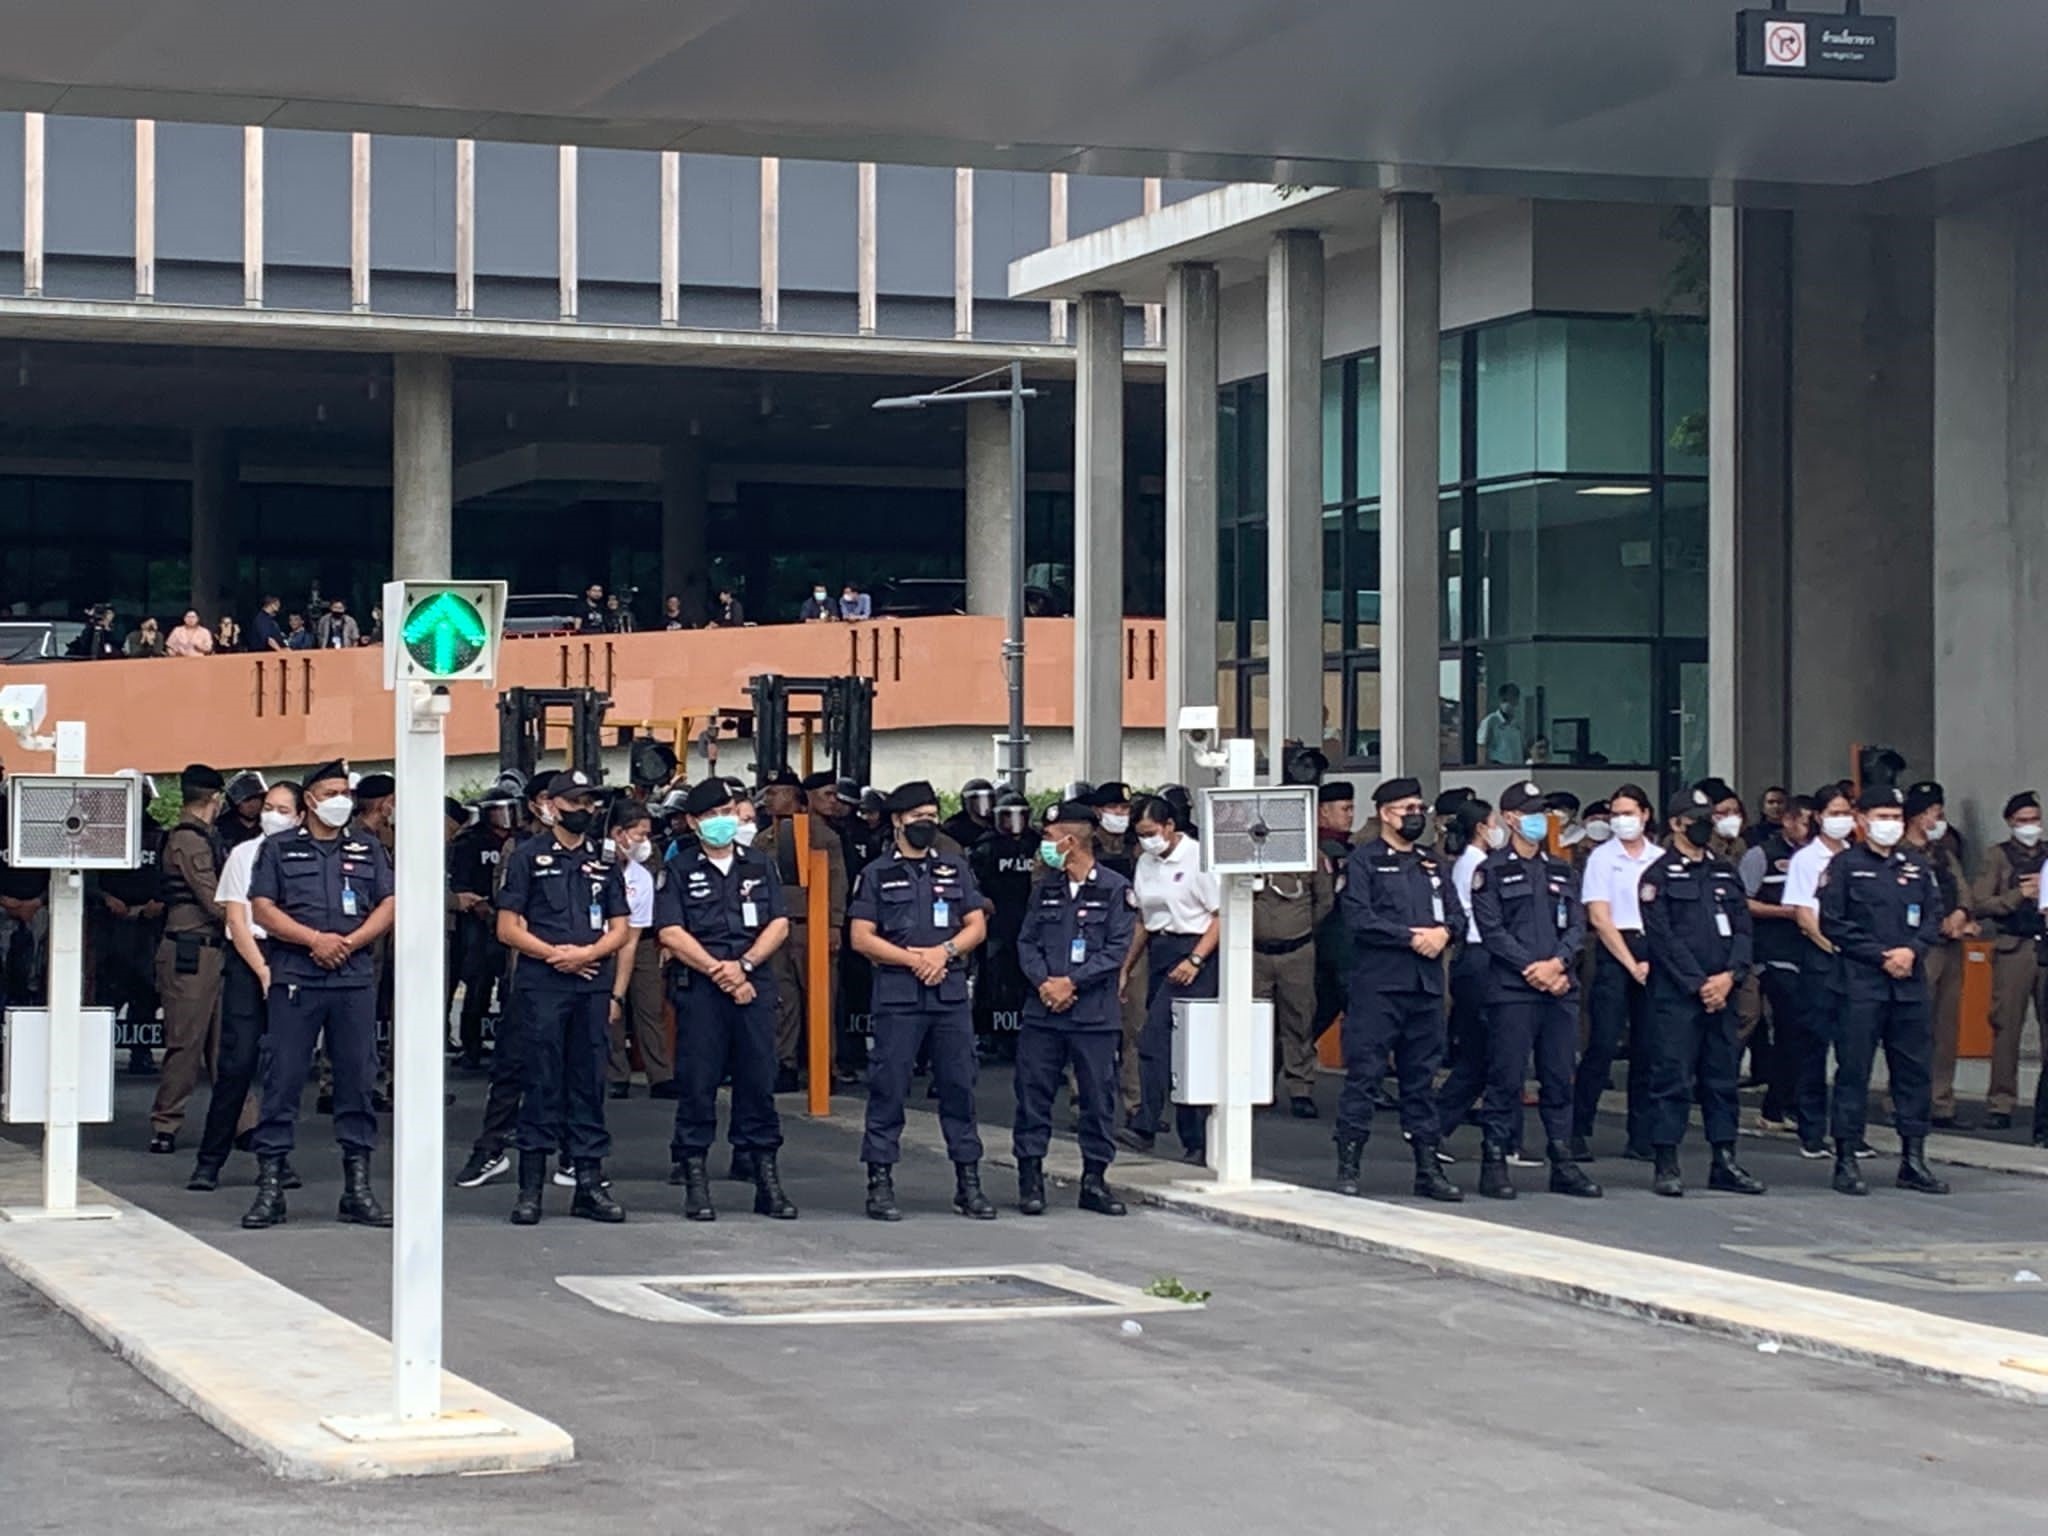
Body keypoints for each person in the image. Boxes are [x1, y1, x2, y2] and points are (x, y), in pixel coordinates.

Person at [240, 759, 396, 1230]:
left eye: (345, 792)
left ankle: (358, 1187)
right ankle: (271, 1187)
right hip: (297, 976)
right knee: (283, 1079)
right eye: (331, 792)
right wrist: (314, 940)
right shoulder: (279, 848)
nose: (341, 801)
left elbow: (389, 902)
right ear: (309, 800)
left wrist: (350, 942)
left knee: (356, 1081)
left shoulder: (367, 848)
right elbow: (262, 908)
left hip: (352, 978)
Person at [849, 780, 994, 1220]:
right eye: (918, 817)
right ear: (897, 820)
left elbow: (976, 925)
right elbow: (861, 938)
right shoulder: (876, 874)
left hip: (948, 993)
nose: (926, 824)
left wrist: (944, 953)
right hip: (899, 996)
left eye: (932, 815)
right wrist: (914, 960)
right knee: (889, 1087)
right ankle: (880, 1183)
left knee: (958, 1087)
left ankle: (968, 1183)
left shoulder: (955, 867)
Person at [654, 779, 797, 1222]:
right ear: (695, 822)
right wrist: (721, 971)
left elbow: (779, 924)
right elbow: (671, 932)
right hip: (702, 986)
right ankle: (695, 1175)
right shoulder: (679, 868)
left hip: (753, 983)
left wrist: (745, 967)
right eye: (713, 815)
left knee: (758, 1078)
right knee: (698, 1082)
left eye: (730, 812)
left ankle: (765, 1175)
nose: (725, 821)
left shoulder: (758, 864)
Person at [493, 770, 631, 1225]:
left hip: (590, 982)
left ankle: (589, 1184)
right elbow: (508, 927)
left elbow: (621, 927)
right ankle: (530, 1188)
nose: (585, 811)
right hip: (543, 984)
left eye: (590, 803)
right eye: (576, 803)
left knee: (588, 1082)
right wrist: (558, 956)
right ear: (553, 805)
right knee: (540, 1080)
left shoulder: (605, 860)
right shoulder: (528, 856)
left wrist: (588, 953)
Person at [1327, 777, 1462, 1201]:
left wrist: (1444, 934)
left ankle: (1428, 1167)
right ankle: (1349, 1163)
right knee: (1365, 1076)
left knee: (1421, 1080)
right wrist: (1410, 936)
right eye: (1407, 808)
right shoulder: (1365, 860)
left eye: (1419, 807)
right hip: (1380, 985)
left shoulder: (1432, 862)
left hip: (1425, 988)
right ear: (1385, 813)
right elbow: (1358, 917)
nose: (1415, 815)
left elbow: (1457, 914)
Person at [1469, 782, 1601, 1200]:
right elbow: (1492, 930)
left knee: (1560, 1078)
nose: (1538, 820)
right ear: (1509, 818)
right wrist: (1533, 969)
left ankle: (1562, 1160)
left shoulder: (1561, 870)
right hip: (1514, 988)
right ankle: (1494, 1159)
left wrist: (1559, 964)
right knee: (1506, 1079)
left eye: (1541, 812)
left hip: (1559, 987)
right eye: (1528, 812)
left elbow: (1578, 925)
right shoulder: (1490, 871)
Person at [1818, 785, 1949, 1197]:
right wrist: (1881, 955)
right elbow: (1833, 922)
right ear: (1861, 819)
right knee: (1854, 1071)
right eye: (1882, 816)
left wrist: (1911, 951)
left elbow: (1934, 916)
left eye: (1895, 817)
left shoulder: (1914, 865)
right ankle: (1846, 1158)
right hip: (1861, 983)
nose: (1889, 824)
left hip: (1907, 985)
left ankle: (1913, 1157)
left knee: (1913, 1072)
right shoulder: (1844, 866)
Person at [1635, 788, 1766, 1199]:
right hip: (1678, 995)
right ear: (1676, 824)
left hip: (1724, 990)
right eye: (1697, 818)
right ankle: (1666, 1160)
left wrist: (1730, 976)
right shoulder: (1657, 876)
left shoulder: (1725, 871)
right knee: (1671, 1076)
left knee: (1721, 1077)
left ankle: (1724, 1158)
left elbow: (1743, 929)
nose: (1706, 824)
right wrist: (1699, 984)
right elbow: (1663, 939)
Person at [1013, 799, 1136, 1216]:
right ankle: (1030, 1179)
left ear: (1070, 840)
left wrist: (1072, 982)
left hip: (1093, 1014)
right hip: (1044, 1010)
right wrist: (1045, 982)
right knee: (1033, 1095)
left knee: (1098, 1098)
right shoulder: (1044, 887)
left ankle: (1095, 1180)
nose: (1044, 846)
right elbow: (1026, 942)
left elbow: (1118, 948)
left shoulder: (1116, 888)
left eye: (1048, 838)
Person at [188, 780, 303, 1192]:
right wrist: (262, 969)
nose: (272, 814)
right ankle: (209, 1160)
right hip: (249, 957)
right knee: (237, 1064)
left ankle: (275, 1160)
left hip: (294, 957)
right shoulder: (244, 853)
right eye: (268, 807)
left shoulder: (310, 857)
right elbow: (236, 920)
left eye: (283, 809)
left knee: (283, 1068)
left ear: (301, 815)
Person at [1118, 795, 1221, 1165]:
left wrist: (1196, 958)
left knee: (1171, 1044)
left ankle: (1159, 1126)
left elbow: (1221, 915)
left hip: (1195, 952)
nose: (1147, 840)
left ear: (1169, 827)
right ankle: (1165, 1129)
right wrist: (1126, 966)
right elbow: (1144, 918)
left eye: (1151, 832)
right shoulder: (1145, 862)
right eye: (1140, 834)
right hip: (1161, 950)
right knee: (1161, 1044)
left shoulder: (1198, 858)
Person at [1571, 783, 1662, 1162]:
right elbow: (1599, 917)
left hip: (1652, 951)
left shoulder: (1659, 858)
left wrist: (1651, 960)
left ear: (1645, 814)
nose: (1622, 820)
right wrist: (1629, 962)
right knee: (1603, 1044)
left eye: (1629, 812)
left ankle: (1641, 1135)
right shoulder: (1602, 859)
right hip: (1614, 951)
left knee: (1648, 1048)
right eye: (1616, 813)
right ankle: (1578, 1130)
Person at [148, 764, 230, 1155]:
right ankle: (166, 1123)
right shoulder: (189, 840)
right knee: (186, 1042)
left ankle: (242, 1121)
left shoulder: (204, 837)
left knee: (225, 1045)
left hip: (211, 951)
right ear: (215, 798)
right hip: (191, 952)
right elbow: (214, 900)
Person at [755, 767, 848, 1090]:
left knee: (820, 997)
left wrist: (834, 924)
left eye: (775, 793)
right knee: (783, 999)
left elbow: (837, 882)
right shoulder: (762, 838)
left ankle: (825, 1066)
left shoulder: (822, 836)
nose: (769, 800)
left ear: (796, 798)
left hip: (813, 925)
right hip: (775, 928)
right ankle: (786, 1063)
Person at [1784, 784, 1857, 1159]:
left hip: (1856, 963)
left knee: (1853, 1048)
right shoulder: (1806, 859)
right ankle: (1812, 1130)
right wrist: (1833, 947)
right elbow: (1804, 916)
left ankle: (1850, 1131)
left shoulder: (1856, 856)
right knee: (1814, 1046)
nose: (1842, 819)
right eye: (1835, 812)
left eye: (1847, 812)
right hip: (1820, 960)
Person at [1969, 791, 2045, 1134]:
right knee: (2006, 1026)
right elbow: (1981, 902)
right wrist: (2019, 895)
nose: (2030, 827)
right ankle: (2001, 1101)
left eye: (2035, 819)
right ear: (2011, 822)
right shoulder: (1998, 856)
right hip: (2014, 946)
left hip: (2045, 944)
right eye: (2023, 820)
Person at [1253, 799, 1333, 1119]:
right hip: (1255, 953)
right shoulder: (1251, 854)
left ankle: (1300, 1087)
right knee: (1254, 1023)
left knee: (1299, 1020)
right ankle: (1256, 1086)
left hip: (1297, 951)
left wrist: (1299, 929)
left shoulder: (1312, 857)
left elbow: (1324, 902)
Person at [1902, 781, 1973, 1127]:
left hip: (1950, 946)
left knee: (1947, 1027)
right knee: (1915, 1026)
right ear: (1918, 816)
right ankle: (1908, 1098)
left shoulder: (1944, 853)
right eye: (1935, 814)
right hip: (1919, 948)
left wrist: (1960, 914)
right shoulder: (1899, 852)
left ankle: (1941, 1101)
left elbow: (1963, 891)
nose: (1939, 821)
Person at [1742, 793, 1813, 1133]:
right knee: (1789, 1021)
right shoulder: (1762, 855)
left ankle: (1788, 1101)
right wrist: (1788, 911)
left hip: (1812, 952)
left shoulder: (1822, 857)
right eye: (1803, 821)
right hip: (1773, 952)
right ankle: (1781, 1102)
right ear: (1787, 820)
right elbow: (1744, 902)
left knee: (1804, 1030)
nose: (1808, 828)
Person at [1434, 797, 1501, 1155]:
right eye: (1494, 822)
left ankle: (1441, 1126)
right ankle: (1439, 1124)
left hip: (1477, 957)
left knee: (1486, 1053)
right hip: (1480, 957)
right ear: (1481, 827)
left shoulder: (1468, 862)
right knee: (1484, 1051)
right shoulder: (1477, 865)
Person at [88, 771, 165, 1078]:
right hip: (108, 924)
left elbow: (166, 875)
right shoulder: (102, 834)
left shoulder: (158, 835)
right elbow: (86, 876)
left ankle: (141, 1053)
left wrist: (157, 902)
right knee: (106, 989)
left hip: (147, 926)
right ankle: (97, 1052)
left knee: (145, 989)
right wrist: (105, 897)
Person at [604, 802, 673, 1099]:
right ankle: (615, 1074)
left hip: (639, 939)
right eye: (640, 834)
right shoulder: (594, 867)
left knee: (650, 1005)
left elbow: (631, 937)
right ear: (618, 833)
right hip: (601, 942)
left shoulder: (642, 875)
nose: (645, 842)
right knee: (610, 1010)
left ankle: (661, 1075)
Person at [447, 790, 515, 1071]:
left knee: (511, 982)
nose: (507, 816)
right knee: (478, 982)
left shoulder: (519, 841)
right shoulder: (470, 842)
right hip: (478, 920)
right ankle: (470, 1045)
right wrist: (479, 907)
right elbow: (459, 883)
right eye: (500, 810)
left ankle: (507, 1046)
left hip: (510, 916)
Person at [216, 771, 269, 853]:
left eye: (256, 799)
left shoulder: (267, 825)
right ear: (235, 803)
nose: (252, 805)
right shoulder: (221, 829)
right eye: (247, 800)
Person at [1475, 682, 1524, 766]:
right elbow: (1481, 748)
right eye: (1506, 700)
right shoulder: (1491, 721)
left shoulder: (1516, 725)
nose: (1511, 703)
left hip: (1516, 768)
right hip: (1498, 767)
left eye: (1514, 699)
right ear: (1501, 699)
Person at [942, 778, 996, 850]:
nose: (987, 802)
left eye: (990, 797)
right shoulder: (953, 828)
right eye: (979, 798)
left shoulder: (998, 825)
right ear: (967, 802)